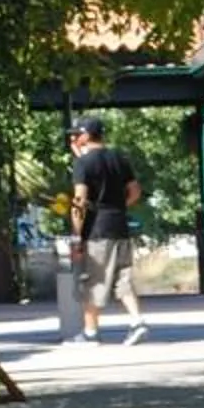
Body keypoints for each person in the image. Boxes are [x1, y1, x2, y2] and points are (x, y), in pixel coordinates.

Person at [66, 112, 148, 345]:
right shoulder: (119, 158)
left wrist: (76, 234)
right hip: (120, 225)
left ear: (86, 136)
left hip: (97, 230)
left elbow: (80, 200)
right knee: (123, 278)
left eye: (76, 134)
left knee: (94, 281)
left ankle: (90, 333)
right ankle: (137, 322)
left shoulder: (82, 164)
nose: (73, 139)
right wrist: (119, 206)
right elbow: (135, 191)